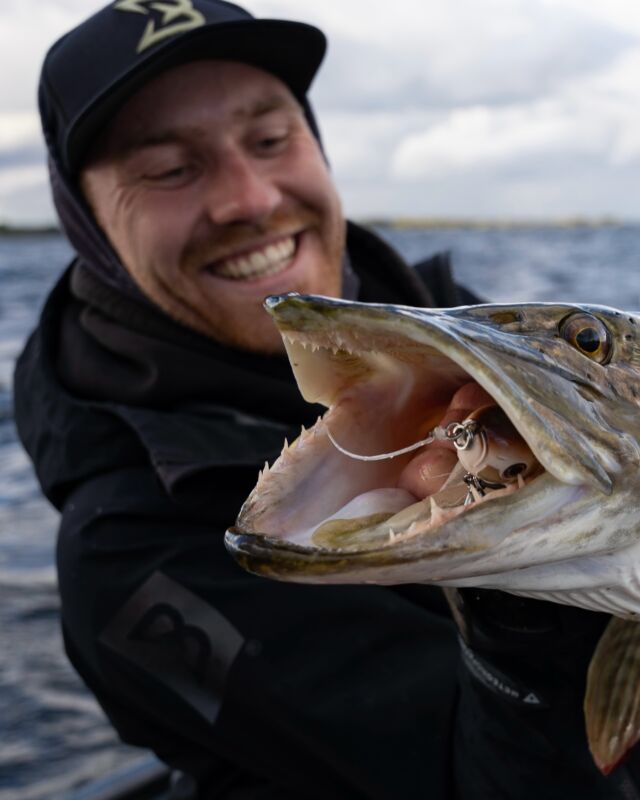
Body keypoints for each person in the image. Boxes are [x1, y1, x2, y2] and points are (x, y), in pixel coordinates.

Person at [13, 2, 639, 798]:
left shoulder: (468, 340)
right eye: (169, 168)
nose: (248, 198)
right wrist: (522, 617)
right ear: (88, 224)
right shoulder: (125, 555)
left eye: (272, 140)